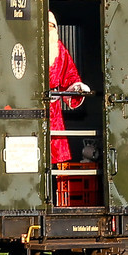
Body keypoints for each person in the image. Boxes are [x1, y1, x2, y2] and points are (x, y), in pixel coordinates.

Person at [47, 13, 91, 163]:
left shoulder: (60, 49)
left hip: (53, 110)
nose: (49, 30)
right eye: (45, 26)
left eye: (52, 26)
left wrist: (77, 87)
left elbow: (70, 74)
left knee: (54, 154)